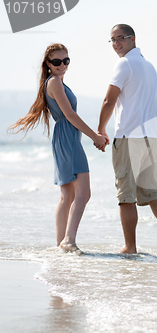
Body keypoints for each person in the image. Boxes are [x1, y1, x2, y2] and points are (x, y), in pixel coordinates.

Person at [9, 43, 107, 253]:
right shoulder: (54, 82)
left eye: (66, 61)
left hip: (65, 137)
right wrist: (95, 137)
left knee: (68, 196)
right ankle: (68, 241)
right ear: (48, 64)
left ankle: (61, 243)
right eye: (57, 62)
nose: (62, 65)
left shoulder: (57, 82)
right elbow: (70, 115)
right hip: (68, 138)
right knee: (83, 193)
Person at [97, 24, 157, 256]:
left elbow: (109, 100)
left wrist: (101, 129)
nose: (116, 44)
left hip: (130, 137)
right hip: (152, 138)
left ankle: (130, 247)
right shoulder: (149, 66)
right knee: (153, 192)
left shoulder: (124, 64)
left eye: (120, 39)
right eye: (112, 40)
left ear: (132, 38)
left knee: (126, 196)